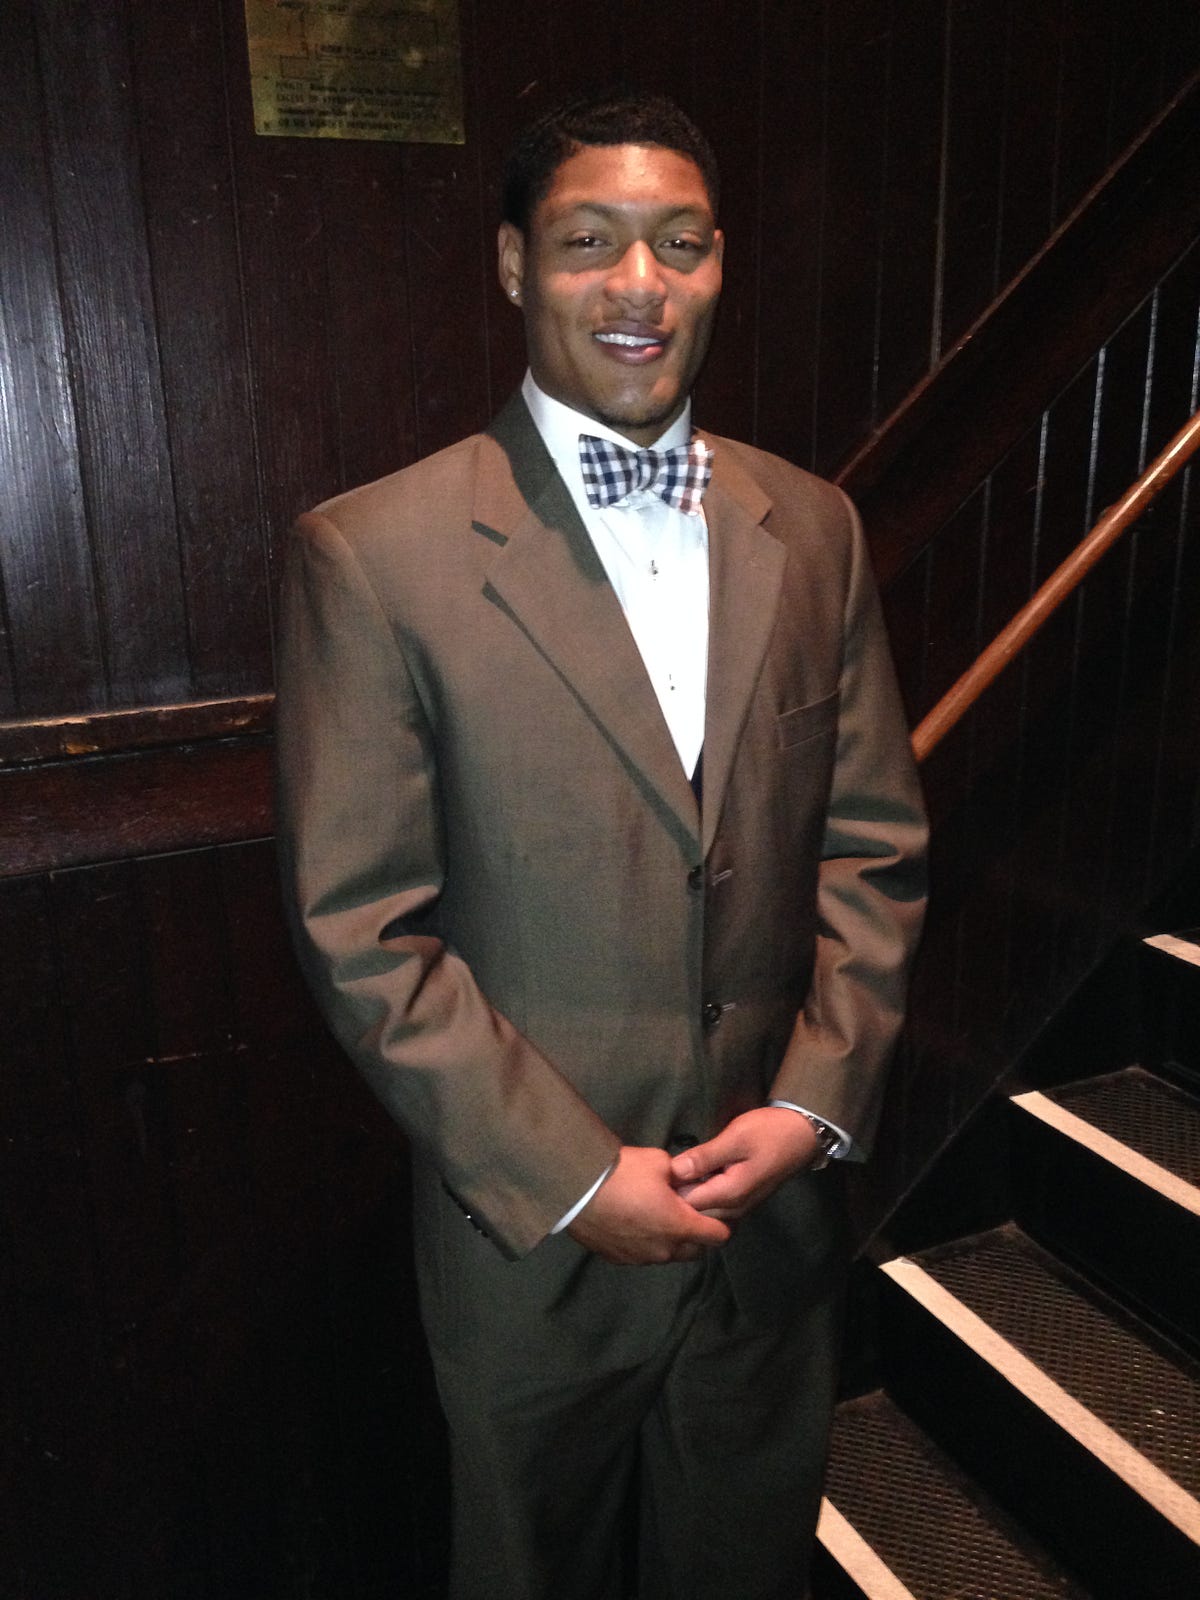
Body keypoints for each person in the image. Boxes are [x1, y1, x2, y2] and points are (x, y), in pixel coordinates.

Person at [275, 88, 927, 1600]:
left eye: (680, 244)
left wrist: (817, 1102)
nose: (642, 284)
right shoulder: (371, 556)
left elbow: (873, 846)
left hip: (772, 1224)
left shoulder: (814, 528)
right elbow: (359, 929)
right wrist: (573, 1177)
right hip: (532, 1249)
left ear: (719, 266)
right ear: (516, 265)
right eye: (590, 243)